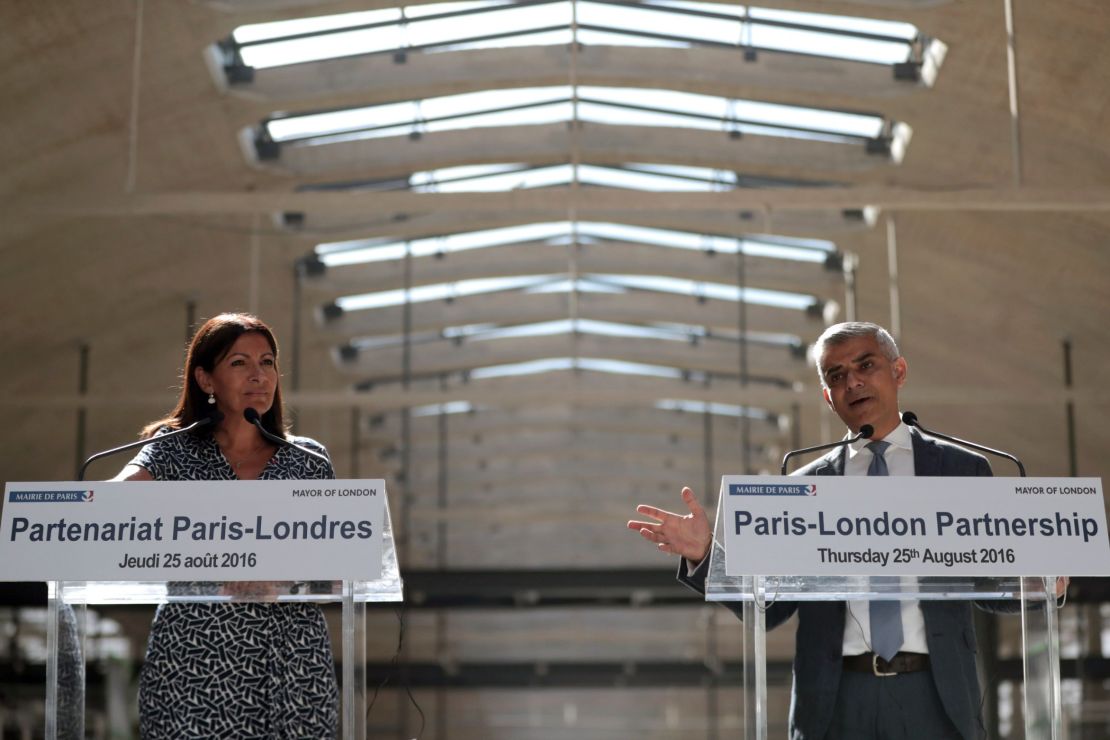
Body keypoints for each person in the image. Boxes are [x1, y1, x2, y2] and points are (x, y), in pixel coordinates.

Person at [628, 321, 1064, 740]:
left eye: (865, 365)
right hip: (837, 701)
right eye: (836, 375)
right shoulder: (799, 491)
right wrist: (707, 555)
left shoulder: (962, 469)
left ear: (899, 371)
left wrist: (1040, 583)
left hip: (936, 694)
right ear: (827, 396)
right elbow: (771, 608)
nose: (852, 382)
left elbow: (985, 579)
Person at [113, 313, 338, 738]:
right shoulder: (171, 449)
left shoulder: (308, 460)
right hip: (193, 666)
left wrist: (281, 584)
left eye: (267, 362)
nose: (259, 375)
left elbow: (335, 573)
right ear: (205, 380)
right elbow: (112, 505)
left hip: (291, 668)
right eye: (239, 363)